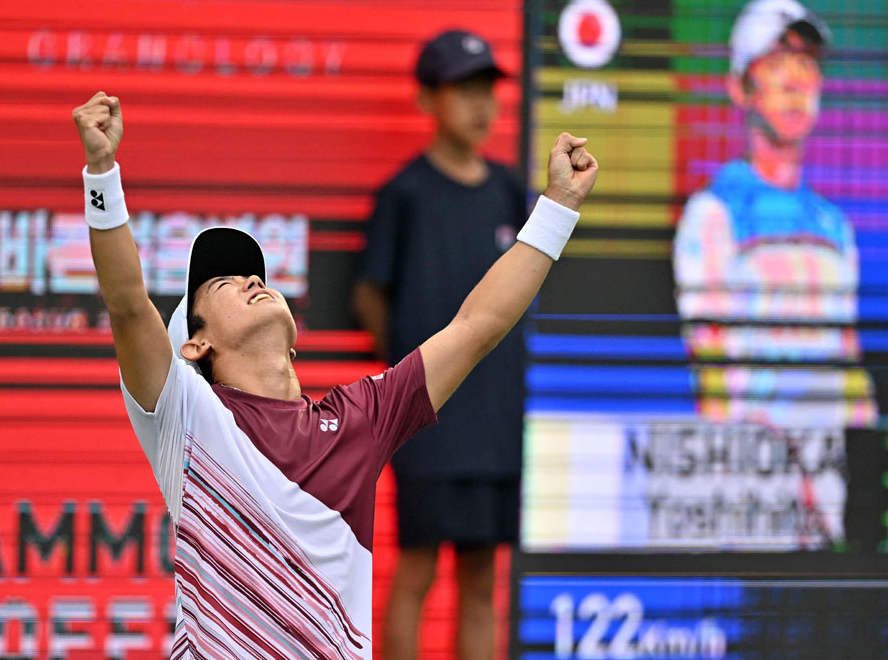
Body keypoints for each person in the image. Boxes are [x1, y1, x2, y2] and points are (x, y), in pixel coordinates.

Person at [72, 90, 596, 659]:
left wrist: (558, 206)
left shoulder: (360, 421)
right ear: (196, 345)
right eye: (225, 285)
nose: (253, 282)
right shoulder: (188, 419)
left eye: (257, 278)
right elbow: (127, 302)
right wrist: (102, 172)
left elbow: (479, 325)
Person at [673, 0, 876, 543]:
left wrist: (867, 483)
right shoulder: (714, 214)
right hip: (751, 499)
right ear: (740, 86)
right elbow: (712, 372)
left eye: (807, 63)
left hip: (831, 501)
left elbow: (847, 361)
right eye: (777, 62)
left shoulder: (834, 226)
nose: (795, 80)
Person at [351, 29, 524, 660]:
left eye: (488, 90)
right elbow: (372, 298)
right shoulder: (406, 195)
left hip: (499, 423)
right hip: (428, 420)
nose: (480, 105)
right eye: (463, 90)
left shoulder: (511, 191)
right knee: (417, 569)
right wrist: (411, 383)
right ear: (427, 100)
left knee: (483, 578)